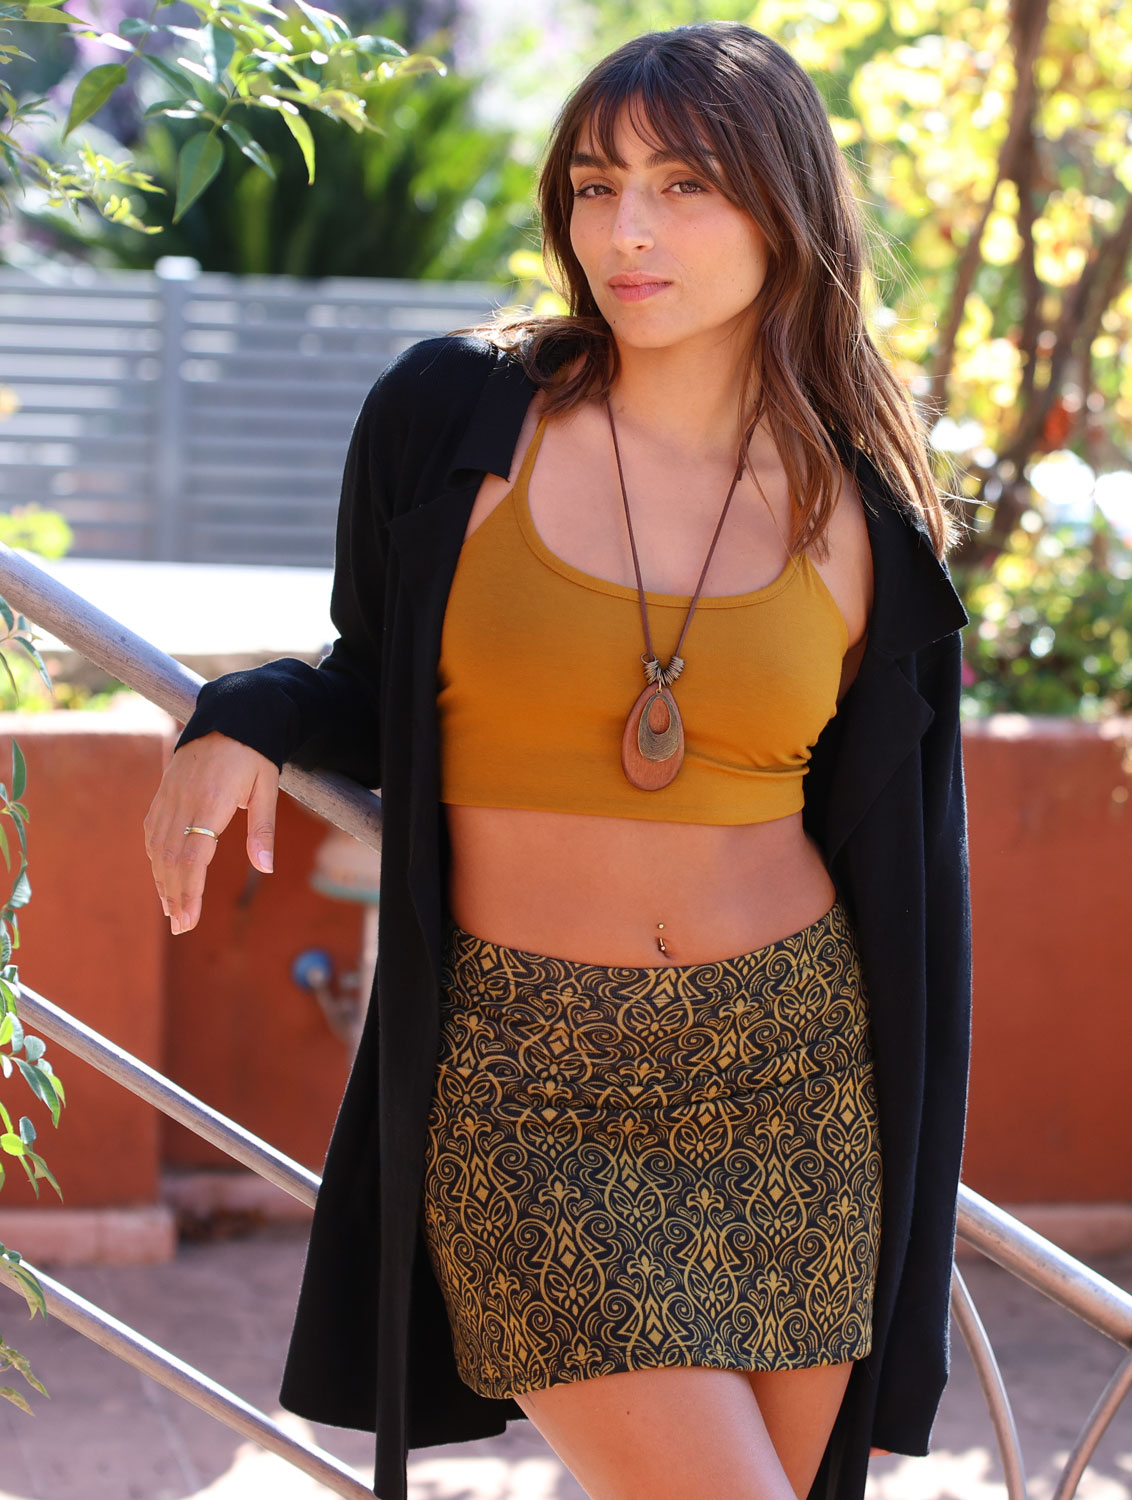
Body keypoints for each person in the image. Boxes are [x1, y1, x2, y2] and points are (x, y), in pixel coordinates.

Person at [144, 22, 971, 1500]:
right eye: (595, 185)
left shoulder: (861, 508)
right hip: (525, 1079)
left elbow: (912, 866)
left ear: (787, 210)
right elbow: (375, 675)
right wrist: (246, 713)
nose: (624, 229)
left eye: (682, 185)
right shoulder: (456, 418)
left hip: (791, 1067)